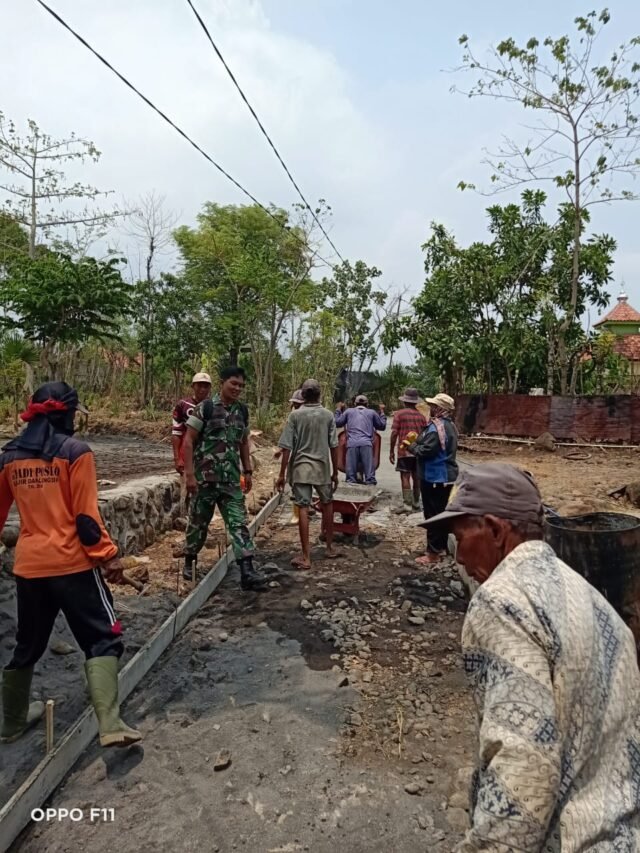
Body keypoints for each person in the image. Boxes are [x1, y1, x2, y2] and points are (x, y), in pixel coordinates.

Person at [420, 463, 640, 851]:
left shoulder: (502, 601)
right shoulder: (590, 599)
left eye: (459, 538)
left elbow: (522, 770)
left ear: (495, 530)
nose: (457, 558)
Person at [0, 382, 140, 748]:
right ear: (66, 413)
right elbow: (86, 521)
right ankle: (110, 725)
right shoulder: (75, 452)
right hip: (72, 565)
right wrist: (108, 557)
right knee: (103, 639)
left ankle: (11, 722)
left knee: (27, 646)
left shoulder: (9, 456)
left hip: (29, 568)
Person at [182, 366, 267, 591]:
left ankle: (247, 571)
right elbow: (188, 441)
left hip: (230, 480)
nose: (237, 388)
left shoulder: (242, 411)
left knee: (238, 523)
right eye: (233, 384)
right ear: (223, 382)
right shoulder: (206, 408)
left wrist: (247, 471)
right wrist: (189, 475)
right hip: (205, 480)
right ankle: (189, 559)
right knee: (198, 524)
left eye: (241, 385)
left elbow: (242, 442)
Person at [277, 379, 339, 570]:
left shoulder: (295, 416)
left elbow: (286, 447)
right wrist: (335, 472)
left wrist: (281, 474)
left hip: (301, 468)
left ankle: (306, 557)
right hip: (322, 468)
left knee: (303, 508)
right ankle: (329, 547)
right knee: (327, 504)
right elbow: (334, 446)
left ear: (302, 395)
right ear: (320, 394)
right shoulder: (328, 416)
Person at [409, 392, 458, 565]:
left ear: (439, 409)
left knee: (432, 515)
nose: (430, 409)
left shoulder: (437, 428)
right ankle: (441, 547)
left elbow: (425, 451)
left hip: (435, 476)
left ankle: (433, 553)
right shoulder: (449, 425)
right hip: (444, 476)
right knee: (441, 514)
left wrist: (412, 446)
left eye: (433, 406)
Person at [389, 388, 428, 510]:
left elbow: (394, 433)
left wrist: (391, 451)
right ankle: (416, 502)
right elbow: (425, 435)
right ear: (416, 402)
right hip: (417, 452)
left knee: (404, 476)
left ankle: (407, 504)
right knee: (416, 477)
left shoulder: (399, 414)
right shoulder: (421, 417)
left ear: (405, 401)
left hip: (404, 451)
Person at [334, 394, 386, 485]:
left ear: (355, 403)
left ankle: (352, 489)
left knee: (350, 477)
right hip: (366, 444)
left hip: (352, 444)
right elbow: (382, 426)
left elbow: (337, 423)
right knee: (370, 477)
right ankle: (370, 486)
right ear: (367, 404)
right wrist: (382, 412)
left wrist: (338, 409)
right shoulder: (372, 412)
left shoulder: (348, 412)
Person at [274, 389, 305, 525]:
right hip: (318, 461)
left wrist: (282, 474)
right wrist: (281, 450)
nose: (295, 407)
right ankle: (305, 509)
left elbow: (288, 445)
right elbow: (289, 440)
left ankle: (298, 516)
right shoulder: (320, 415)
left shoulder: (295, 417)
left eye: (297, 405)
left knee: (298, 488)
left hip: (300, 459)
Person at [171, 372, 212, 474]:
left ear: (210, 388)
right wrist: (178, 459)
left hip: (208, 454)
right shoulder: (183, 405)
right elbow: (177, 432)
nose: (202, 389)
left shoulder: (214, 406)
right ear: (193, 386)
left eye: (206, 386)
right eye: (199, 386)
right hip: (187, 453)